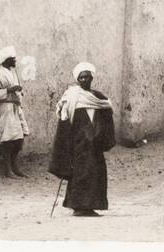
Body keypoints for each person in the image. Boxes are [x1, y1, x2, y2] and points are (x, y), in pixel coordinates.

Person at [49, 62, 115, 216]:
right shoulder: (72, 97)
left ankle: (91, 206)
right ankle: (78, 207)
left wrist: (102, 135)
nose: (85, 80)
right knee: (80, 173)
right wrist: (66, 143)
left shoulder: (98, 97)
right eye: (81, 77)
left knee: (96, 173)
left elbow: (107, 114)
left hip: (95, 145)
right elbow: (64, 120)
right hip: (78, 144)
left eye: (87, 77)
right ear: (77, 79)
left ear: (92, 77)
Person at [0, 46, 28, 178]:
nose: (15, 61)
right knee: (8, 139)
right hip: (5, 108)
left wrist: (19, 91)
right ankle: (8, 169)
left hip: (16, 107)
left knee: (19, 139)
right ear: (6, 60)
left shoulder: (13, 72)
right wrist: (10, 90)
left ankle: (15, 165)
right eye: (13, 59)